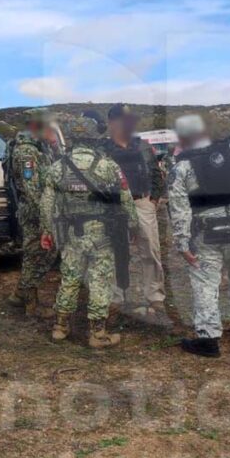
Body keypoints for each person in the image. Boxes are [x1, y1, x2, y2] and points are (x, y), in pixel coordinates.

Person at [168, 115, 230, 358]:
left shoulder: (181, 166)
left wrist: (182, 243)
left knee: (205, 283)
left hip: (206, 231)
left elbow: (179, 208)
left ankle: (209, 339)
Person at [40, 116, 138, 348]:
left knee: (70, 278)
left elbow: (46, 204)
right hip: (102, 233)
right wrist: (132, 226)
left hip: (72, 232)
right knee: (99, 280)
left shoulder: (58, 167)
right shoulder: (109, 166)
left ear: (72, 139)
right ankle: (97, 334)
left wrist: (47, 230)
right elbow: (126, 200)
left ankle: (60, 327)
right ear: (94, 138)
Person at [96, 104, 166, 317]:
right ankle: (115, 297)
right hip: (115, 207)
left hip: (142, 203)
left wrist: (153, 200)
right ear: (110, 123)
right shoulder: (103, 150)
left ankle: (154, 297)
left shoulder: (143, 146)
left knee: (150, 251)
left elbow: (156, 173)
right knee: (116, 252)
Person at [5, 108, 60, 318]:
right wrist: (47, 216)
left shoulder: (40, 148)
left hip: (42, 209)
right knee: (36, 254)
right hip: (35, 212)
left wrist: (54, 145)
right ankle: (30, 303)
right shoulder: (27, 152)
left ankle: (20, 293)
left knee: (43, 253)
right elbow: (32, 189)